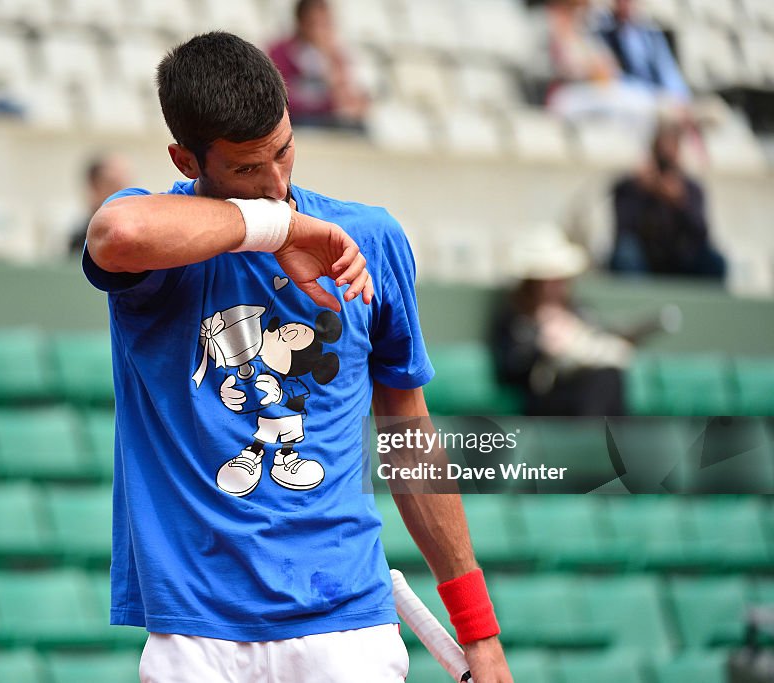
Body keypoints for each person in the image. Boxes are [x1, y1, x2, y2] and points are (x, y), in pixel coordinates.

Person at [82, 31, 511, 683]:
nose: (277, 181)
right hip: (197, 633)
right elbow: (118, 233)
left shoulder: (368, 240)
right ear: (186, 158)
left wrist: (478, 630)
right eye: (248, 169)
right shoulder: (155, 243)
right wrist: (283, 230)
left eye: (283, 150)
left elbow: (408, 436)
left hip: (347, 626)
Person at [490, 227, 635, 416]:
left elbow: (600, 340)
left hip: (586, 387)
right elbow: (509, 369)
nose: (556, 285)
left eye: (559, 278)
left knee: (608, 378)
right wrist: (542, 347)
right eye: (548, 279)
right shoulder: (515, 318)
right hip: (546, 398)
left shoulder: (580, 311)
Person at [609, 120, 726, 278]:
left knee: (715, 261)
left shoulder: (691, 190)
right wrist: (641, 191)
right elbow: (623, 231)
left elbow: (701, 233)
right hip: (645, 258)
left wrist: (680, 203)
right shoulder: (631, 187)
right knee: (626, 253)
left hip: (681, 259)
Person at [545, 0, 658, 140]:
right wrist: (591, 69)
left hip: (593, 92)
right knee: (629, 105)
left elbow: (609, 66)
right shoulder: (557, 32)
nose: (582, 12)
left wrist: (600, 67)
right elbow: (567, 68)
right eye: (576, 7)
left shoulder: (583, 33)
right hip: (565, 97)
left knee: (641, 100)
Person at [268, 0, 368, 130]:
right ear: (302, 22)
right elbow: (280, 99)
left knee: (359, 127)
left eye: (325, 24)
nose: (320, 30)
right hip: (299, 119)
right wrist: (327, 104)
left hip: (327, 118)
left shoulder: (334, 53)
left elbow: (344, 95)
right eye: (315, 24)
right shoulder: (281, 52)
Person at [595, 0, 691, 104]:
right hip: (632, 99)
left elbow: (668, 72)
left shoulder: (651, 34)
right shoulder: (605, 35)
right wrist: (652, 96)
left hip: (660, 98)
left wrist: (679, 98)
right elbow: (614, 78)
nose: (626, 5)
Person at [68, 154, 133, 255]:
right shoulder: (81, 240)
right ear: (94, 188)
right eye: (113, 186)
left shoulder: (135, 234)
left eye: (126, 187)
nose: (122, 195)